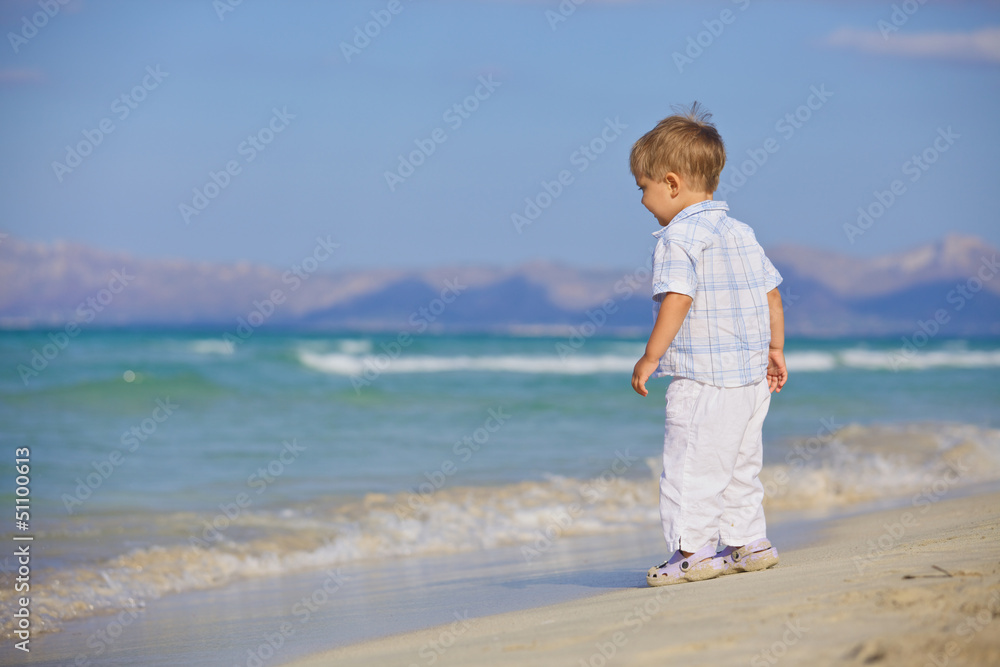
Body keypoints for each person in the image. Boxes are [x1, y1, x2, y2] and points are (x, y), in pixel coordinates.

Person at [629, 103, 788, 586]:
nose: (642, 201)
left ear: (672, 183)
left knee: (689, 464)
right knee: (741, 463)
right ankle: (748, 543)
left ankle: (693, 551)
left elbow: (678, 297)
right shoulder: (741, 232)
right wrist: (775, 350)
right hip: (749, 380)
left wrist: (652, 356)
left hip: (703, 379)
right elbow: (772, 296)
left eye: (644, 188)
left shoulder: (678, 239)